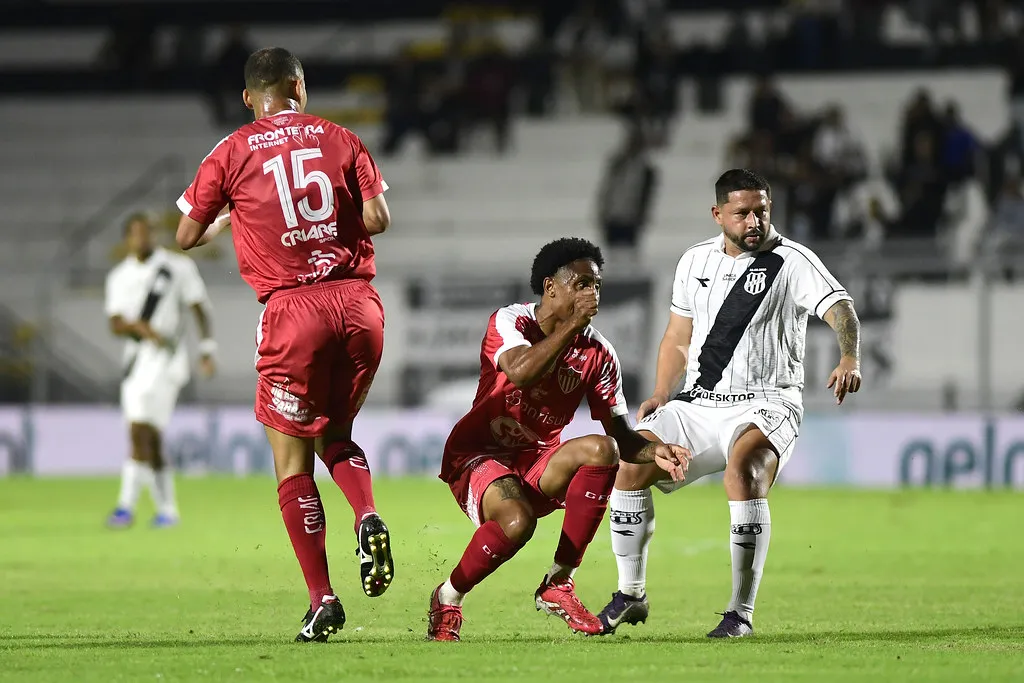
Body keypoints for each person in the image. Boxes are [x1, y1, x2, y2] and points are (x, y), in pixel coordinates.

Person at [174, 47, 393, 643]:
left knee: (291, 460)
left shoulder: (231, 150)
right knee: (336, 436)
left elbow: (186, 234)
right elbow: (377, 219)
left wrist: (231, 220)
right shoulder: (341, 136)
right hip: (358, 304)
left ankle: (323, 599)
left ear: (249, 97)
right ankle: (367, 512)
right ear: (300, 85)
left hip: (293, 311)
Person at [597, 169, 863, 638]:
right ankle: (631, 594)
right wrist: (661, 391)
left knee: (744, 472)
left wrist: (849, 355)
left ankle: (740, 613)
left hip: (767, 402)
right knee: (629, 463)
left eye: (761, 210)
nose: (754, 221)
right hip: (699, 403)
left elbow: (840, 307)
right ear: (718, 214)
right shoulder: (693, 260)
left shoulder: (792, 261)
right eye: (743, 213)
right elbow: (678, 336)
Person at [426, 237, 691, 642]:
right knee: (518, 522)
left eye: (597, 285)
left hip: (537, 462)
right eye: (582, 284)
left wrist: (656, 450)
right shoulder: (510, 321)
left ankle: (559, 581)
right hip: (478, 454)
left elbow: (621, 435)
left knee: (606, 450)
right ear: (551, 287)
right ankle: (448, 597)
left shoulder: (599, 353)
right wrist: (572, 326)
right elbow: (520, 372)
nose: (593, 294)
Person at [105, 213, 216, 529]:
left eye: (147, 232)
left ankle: (125, 507)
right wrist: (136, 326)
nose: (143, 238)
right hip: (136, 362)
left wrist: (207, 349)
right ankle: (168, 511)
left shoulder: (177, 268)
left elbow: (199, 308)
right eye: (136, 233)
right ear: (127, 238)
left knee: (139, 431)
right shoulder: (119, 277)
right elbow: (114, 323)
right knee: (149, 439)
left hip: (167, 361)